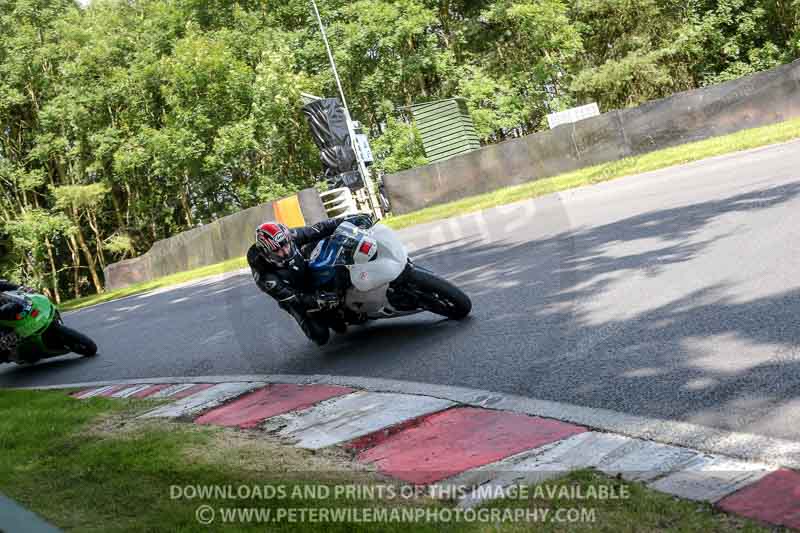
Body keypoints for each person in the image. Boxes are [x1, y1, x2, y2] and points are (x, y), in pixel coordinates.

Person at [247, 214, 374, 346]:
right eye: (277, 250)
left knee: (330, 258)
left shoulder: (291, 235)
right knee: (320, 337)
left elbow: (319, 229)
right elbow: (290, 297)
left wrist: (347, 220)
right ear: (265, 252)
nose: (284, 252)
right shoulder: (262, 271)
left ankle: (348, 302)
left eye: (285, 245)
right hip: (293, 293)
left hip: (307, 273)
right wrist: (316, 300)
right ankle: (326, 318)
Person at [0, 280, 24, 362]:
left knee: (11, 307)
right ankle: (10, 353)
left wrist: (20, 288)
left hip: (11, 311)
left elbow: (6, 285)